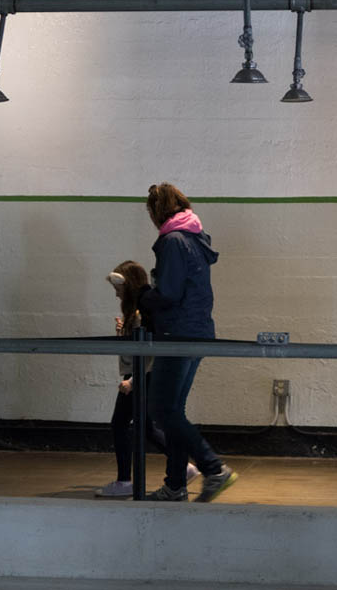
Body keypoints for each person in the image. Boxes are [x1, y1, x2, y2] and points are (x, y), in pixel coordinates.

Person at [139, 183, 237, 503]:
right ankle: (175, 485)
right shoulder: (195, 238)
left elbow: (168, 293)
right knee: (173, 411)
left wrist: (142, 297)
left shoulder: (172, 241)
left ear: (156, 211)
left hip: (177, 335)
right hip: (198, 332)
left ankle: (213, 467)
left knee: (161, 409)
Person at [95, 261, 197, 497]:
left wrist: (133, 381)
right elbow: (136, 349)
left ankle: (124, 481)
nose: (116, 292)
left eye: (118, 286)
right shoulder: (135, 313)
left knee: (120, 423)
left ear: (128, 285)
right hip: (141, 375)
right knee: (146, 427)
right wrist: (123, 332)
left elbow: (148, 353)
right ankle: (182, 465)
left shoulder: (142, 313)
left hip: (142, 376)